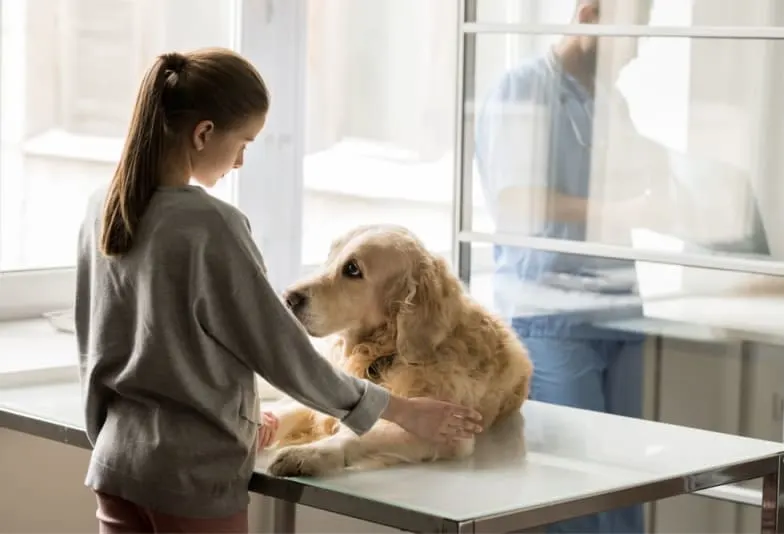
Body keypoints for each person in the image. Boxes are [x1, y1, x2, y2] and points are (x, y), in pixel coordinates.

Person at [75, 47, 483, 534]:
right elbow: (284, 354)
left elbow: (95, 346)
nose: (242, 160)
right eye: (244, 142)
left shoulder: (102, 206)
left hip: (116, 466)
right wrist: (404, 411)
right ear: (204, 133)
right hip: (192, 479)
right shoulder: (212, 225)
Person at [473, 1, 669, 533]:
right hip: (552, 316)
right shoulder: (523, 89)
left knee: (630, 479)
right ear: (588, 15)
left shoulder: (611, 101)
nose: (635, 52)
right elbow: (517, 199)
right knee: (573, 490)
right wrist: (614, 210)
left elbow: (634, 178)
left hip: (618, 312)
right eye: (630, 36)